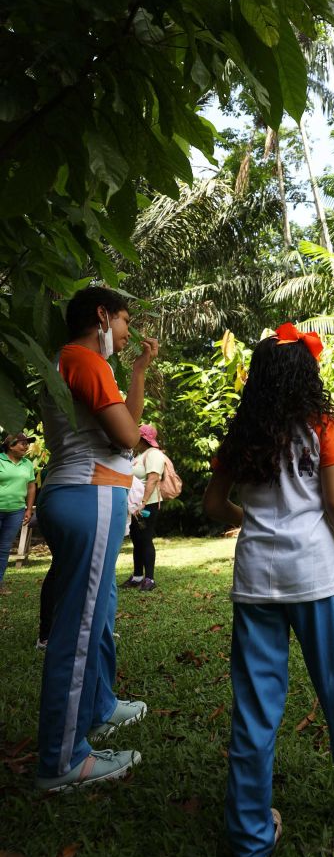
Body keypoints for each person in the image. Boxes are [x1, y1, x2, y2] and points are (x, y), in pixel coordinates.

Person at [203, 322, 334, 857]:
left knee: (254, 710)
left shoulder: (241, 432)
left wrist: (248, 519)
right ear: (304, 375)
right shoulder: (321, 424)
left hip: (254, 580)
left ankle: (249, 842)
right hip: (313, 578)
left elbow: (213, 503)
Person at [35, 285, 159, 792]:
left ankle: (97, 707)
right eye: (125, 321)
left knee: (96, 609)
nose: (127, 333)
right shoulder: (84, 360)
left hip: (77, 491)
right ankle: (63, 760)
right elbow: (128, 436)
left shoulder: (72, 361)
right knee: (80, 629)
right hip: (90, 493)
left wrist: (137, 373)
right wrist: (127, 377)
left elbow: (122, 426)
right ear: (103, 316)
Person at [122, 424, 167, 592]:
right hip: (136, 505)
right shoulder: (140, 455)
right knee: (137, 539)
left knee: (145, 539)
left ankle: (150, 578)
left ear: (142, 438)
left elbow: (153, 478)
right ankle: (137, 576)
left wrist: (144, 501)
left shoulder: (154, 454)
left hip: (148, 503)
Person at [0, 433, 37, 591]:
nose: (26, 446)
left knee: (4, 548)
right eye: (22, 443)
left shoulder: (27, 464)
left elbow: (31, 486)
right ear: (10, 445)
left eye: (27, 443)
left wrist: (28, 509)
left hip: (16, 511)